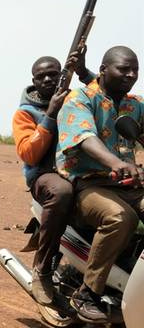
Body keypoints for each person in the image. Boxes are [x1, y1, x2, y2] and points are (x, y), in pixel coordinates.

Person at [56, 46, 144, 323]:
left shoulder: (135, 104)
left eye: (135, 70)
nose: (131, 75)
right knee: (121, 218)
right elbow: (84, 138)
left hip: (129, 184)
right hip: (89, 183)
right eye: (123, 69)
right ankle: (88, 292)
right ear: (104, 69)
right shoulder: (80, 98)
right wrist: (115, 163)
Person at [12, 52, 93, 305]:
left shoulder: (77, 100)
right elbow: (30, 154)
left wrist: (83, 72)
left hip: (81, 172)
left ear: (62, 77)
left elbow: (103, 98)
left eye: (53, 74)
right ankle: (43, 267)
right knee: (62, 192)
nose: (48, 79)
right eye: (41, 76)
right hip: (45, 176)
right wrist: (50, 114)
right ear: (34, 81)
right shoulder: (25, 113)